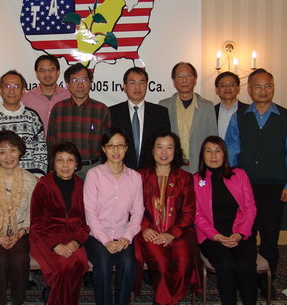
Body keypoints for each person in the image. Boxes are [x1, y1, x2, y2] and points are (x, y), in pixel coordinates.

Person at [225, 68, 287, 296]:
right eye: (258, 86)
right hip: (245, 188)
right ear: (249, 90)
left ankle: (267, 282)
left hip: (274, 188)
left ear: (273, 87)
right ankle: (246, 278)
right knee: (245, 235)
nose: (263, 90)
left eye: (268, 85)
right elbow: (231, 152)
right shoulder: (239, 117)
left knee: (270, 237)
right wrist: (231, 184)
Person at [135, 130, 200, 305]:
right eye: (159, 147)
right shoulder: (139, 176)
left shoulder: (185, 178)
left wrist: (172, 233)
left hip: (178, 233)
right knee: (161, 263)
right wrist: (145, 228)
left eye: (169, 148)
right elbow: (133, 209)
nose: (164, 153)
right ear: (152, 150)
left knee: (184, 262)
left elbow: (188, 212)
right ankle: (167, 301)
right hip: (150, 233)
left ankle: (172, 298)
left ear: (175, 151)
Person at [193, 136, 257, 305]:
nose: (213, 156)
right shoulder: (195, 180)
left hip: (240, 234)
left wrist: (240, 233)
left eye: (217, 151)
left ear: (224, 154)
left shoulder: (240, 175)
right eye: (208, 151)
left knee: (245, 265)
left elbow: (250, 208)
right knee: (226, 265)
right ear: (202, 155)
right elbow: (196, 215)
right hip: (211, 237)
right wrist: (216, 236)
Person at [84, 127, 144, 305]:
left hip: (122, 234)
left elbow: (138, 212)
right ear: (103, 149)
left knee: (128, 264)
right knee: (103, 264)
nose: (116, 150)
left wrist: (126, 237)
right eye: (111, 146)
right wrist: (105, 240)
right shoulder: (94, 175)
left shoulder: (135, 177)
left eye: (120, 146)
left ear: (126, 148)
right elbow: (90, 213)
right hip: (96, 236)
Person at [0, 130, 38, 305]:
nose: (8, 156)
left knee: (19, 258)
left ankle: (18, 301)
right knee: (1, 258)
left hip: (20, 232)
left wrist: (20, 233)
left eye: (12, 150)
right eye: (2, 151)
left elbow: (31, 214)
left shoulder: (30, 180)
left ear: (20, 151)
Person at [30, 142, 90, 305]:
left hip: (73, 237)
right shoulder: (43, 185)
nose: (65, 165)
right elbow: (35, 223)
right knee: (63, 266)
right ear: (53, 163)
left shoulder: (82, 185)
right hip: (45, 237)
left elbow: (86, 221)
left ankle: (54, 296)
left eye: (70, 160)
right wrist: (55, 245)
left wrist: (76, 242)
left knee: (79, 262)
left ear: (77, 164)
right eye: (60, 160)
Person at [0, 70, 47, 177]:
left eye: (16, 86)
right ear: (0, 90)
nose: (11, 91)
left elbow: (41, 149)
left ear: (23, 91)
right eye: (7, 86)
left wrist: (37, 177)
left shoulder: (32, 117)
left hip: (29, 180)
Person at [47, 63, 111, 178]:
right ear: (67, 84)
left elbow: (108, 144)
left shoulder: (101, 109)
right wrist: (52, 169)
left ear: (90, 83)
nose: (80, 85)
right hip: (65, 169)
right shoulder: (58, 109)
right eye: (75, 80)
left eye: (84, 80)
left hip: (94, 168)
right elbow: (51, 142)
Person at [159, 62, 217, 174]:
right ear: (174, 81)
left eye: (188, 76)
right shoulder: (163, 106)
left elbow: (213, 139)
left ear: (195, 79)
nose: (184, 80)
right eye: (180, 76)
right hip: (172, 166)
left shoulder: (207, 107)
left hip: (199, 166)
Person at [110, 67, 171, 169]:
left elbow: (164, 145)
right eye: (132, 82)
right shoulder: (112, 113)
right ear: (124, 87)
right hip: (120, 171)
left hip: (151, 172)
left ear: (147, 86)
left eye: (141, 83)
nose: (137, 87)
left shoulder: (160, 113)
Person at [21, 54, 71, 134]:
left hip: (62, 145)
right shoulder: (26, 99)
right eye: (42, 70)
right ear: (37, 74)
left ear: (58, 73)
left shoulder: (69, 96)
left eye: (51, 70)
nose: (47, 74)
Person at [214, 71, 248, 139]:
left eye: (231, 85)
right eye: (223, 85)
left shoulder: (248, 111)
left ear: (238, 89)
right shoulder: (211, 111)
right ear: (217, 90)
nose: (227, 88)